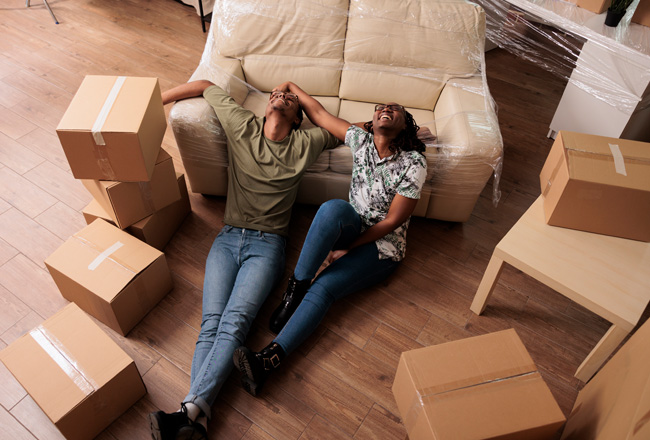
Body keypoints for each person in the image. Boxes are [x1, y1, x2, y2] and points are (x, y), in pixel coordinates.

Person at [149, 80, 340, 440]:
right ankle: (196, 419)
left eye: (288, 100)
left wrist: (301, 94)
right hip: (226, 238)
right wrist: (155, 101)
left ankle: (188, 411)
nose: (279, 97)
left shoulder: (307, 141)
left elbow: (340, 127)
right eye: (274, 96)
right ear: (264, 108)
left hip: (267, 249)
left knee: (235, 323)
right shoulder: (242, 124)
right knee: (210, 324)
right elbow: (206, 86)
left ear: (298, 118)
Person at [232, 81, 428, 396]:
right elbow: (319, 114)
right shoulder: (360, 140)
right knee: (331, 209)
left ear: (405, 125)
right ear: (372, 121)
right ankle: (294, 292)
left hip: (381, 247)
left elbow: (393, 221)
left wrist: (346, 249)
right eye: (380, 108)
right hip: (354, 225)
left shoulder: (414, 162)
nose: (386, 109)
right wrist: (291, 87)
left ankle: (268, 359)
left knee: (325, 288)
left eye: (395, 109)